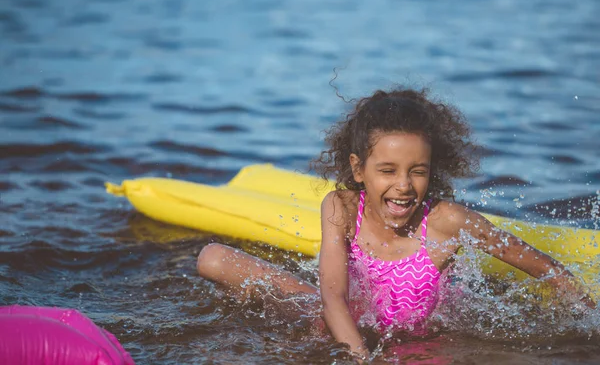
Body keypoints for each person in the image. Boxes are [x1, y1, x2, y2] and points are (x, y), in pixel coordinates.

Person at [196, 87, 593, 360]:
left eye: (417, 171)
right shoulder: (341, 207)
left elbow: (543, 266)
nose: (403, 186)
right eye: (387, 170)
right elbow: (333, 297)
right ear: (359, 169)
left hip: (418, 338)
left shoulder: (445, 222)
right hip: (343, 316)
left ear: (431, 169)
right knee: (211, 258)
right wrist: (358, 359)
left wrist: (587, 317)